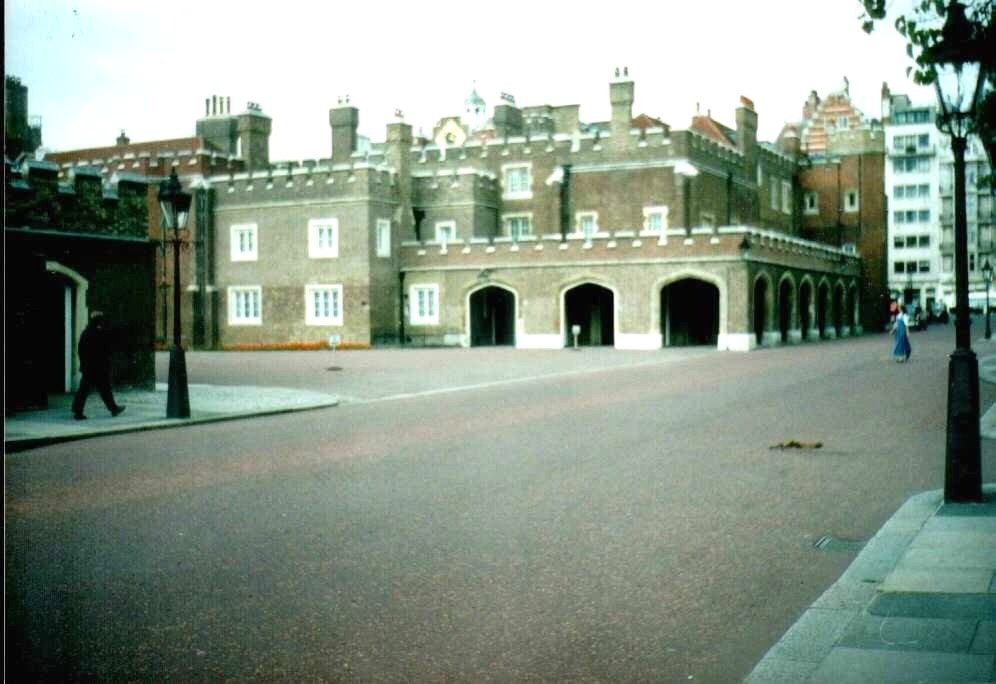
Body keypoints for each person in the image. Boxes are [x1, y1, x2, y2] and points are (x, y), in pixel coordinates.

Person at [72, 311, 126, 420]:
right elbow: (106, 350)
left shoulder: (86, 332)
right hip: (98, 368)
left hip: (89, 367)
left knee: (85, 389)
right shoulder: (99, 333)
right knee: (103, 389)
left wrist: (84, 363)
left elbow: (80, 350)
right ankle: (113, 408)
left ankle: (78, 410)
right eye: (101, 320)